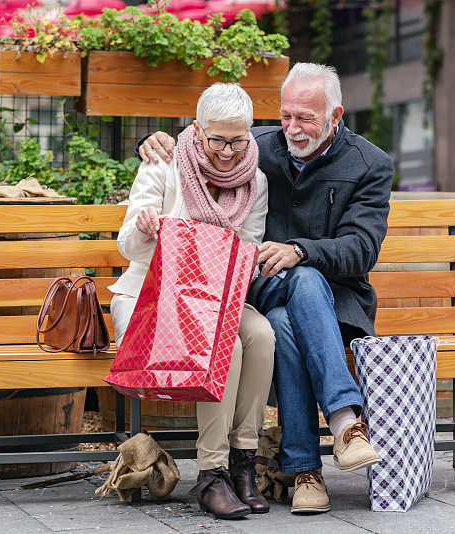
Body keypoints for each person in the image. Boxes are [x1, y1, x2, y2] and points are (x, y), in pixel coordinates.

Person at [136, 63, 393, 514]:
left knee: (283, 321)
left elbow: (363, 249)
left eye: (306, 119)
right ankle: (346, 423)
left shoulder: (370, 164)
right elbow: (209, 140)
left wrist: (301, 250)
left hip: (335, 305)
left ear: (336, 116)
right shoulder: (257, 146)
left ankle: (307, 473)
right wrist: (155, 140)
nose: (292, 127)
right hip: (256, 286)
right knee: (279, 308)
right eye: (286, 114)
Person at [109, 83, 275, 520]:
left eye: (239, 140)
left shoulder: (254, 180)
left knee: (261, 335)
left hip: (217, 294)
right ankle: (211, 472)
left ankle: (243, 465)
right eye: (217, 139)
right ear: (198, 131)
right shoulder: (166, 164)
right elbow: (127, 246)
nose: (228, 151)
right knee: (229, 347)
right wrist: (148, 230)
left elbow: (247, 251)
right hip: (154, 297)